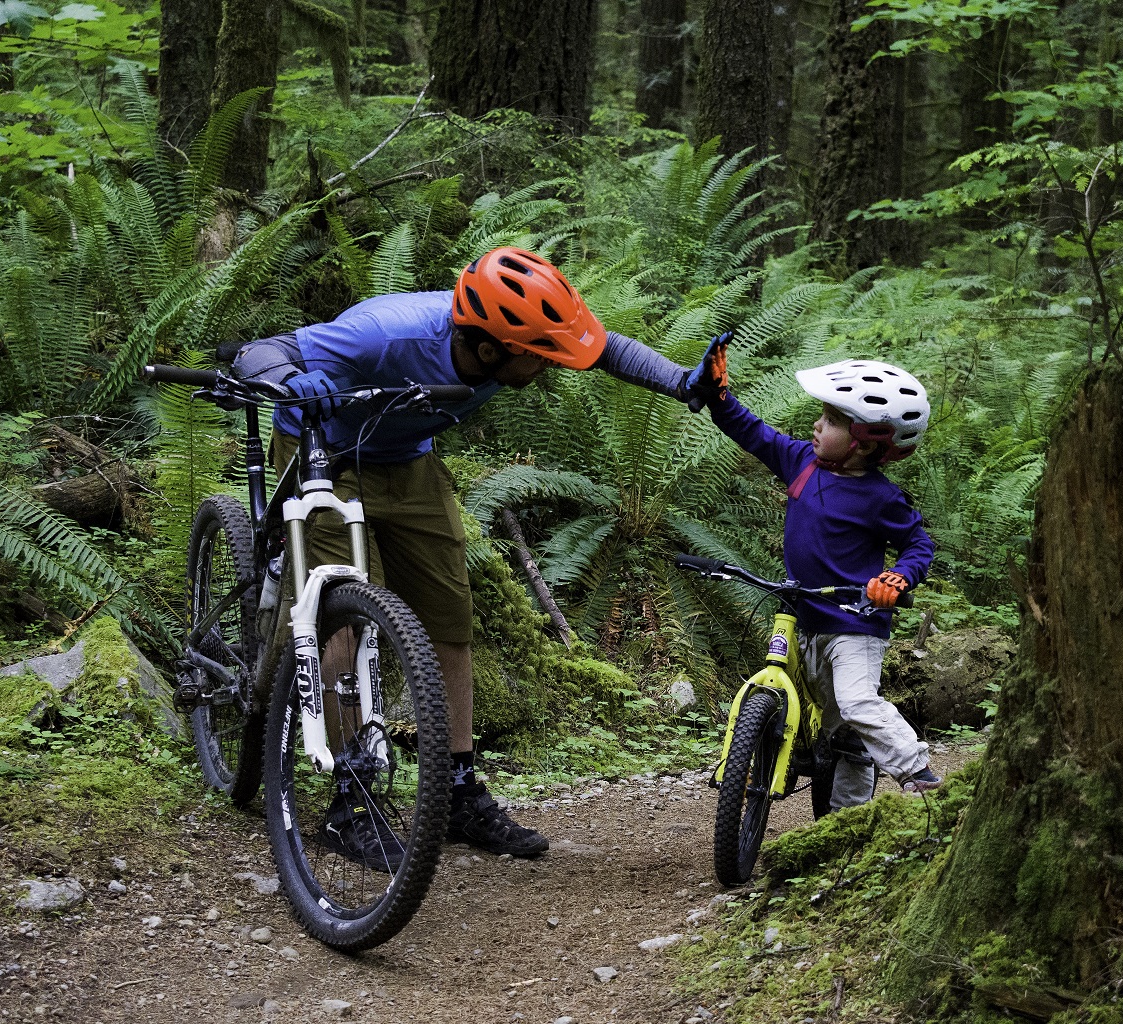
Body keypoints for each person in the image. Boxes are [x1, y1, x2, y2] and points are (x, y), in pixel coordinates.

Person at [233, 247, 702, 865]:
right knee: (344, 612)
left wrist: (680, 380)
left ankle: (455, 788)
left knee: (450, 621)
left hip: (407, 459)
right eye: (537, 359)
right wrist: (296, 382)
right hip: (328, 454)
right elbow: (258, 353)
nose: (547, 368)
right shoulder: (383, 334)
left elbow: (601, 347)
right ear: (489, 349)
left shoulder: (510, 342)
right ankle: (352, 795)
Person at [683, 341, 942, 808]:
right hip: (804, 618)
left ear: (866, 441)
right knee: (836, 727)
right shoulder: (801, 461)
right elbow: (753, 432)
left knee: (856, 707)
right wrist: (720, 396)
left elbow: (919, 544)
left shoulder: (881, 498)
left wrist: (898, 578)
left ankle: (915, 772)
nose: (816, 425)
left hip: (854, 626)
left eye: (832, 420)